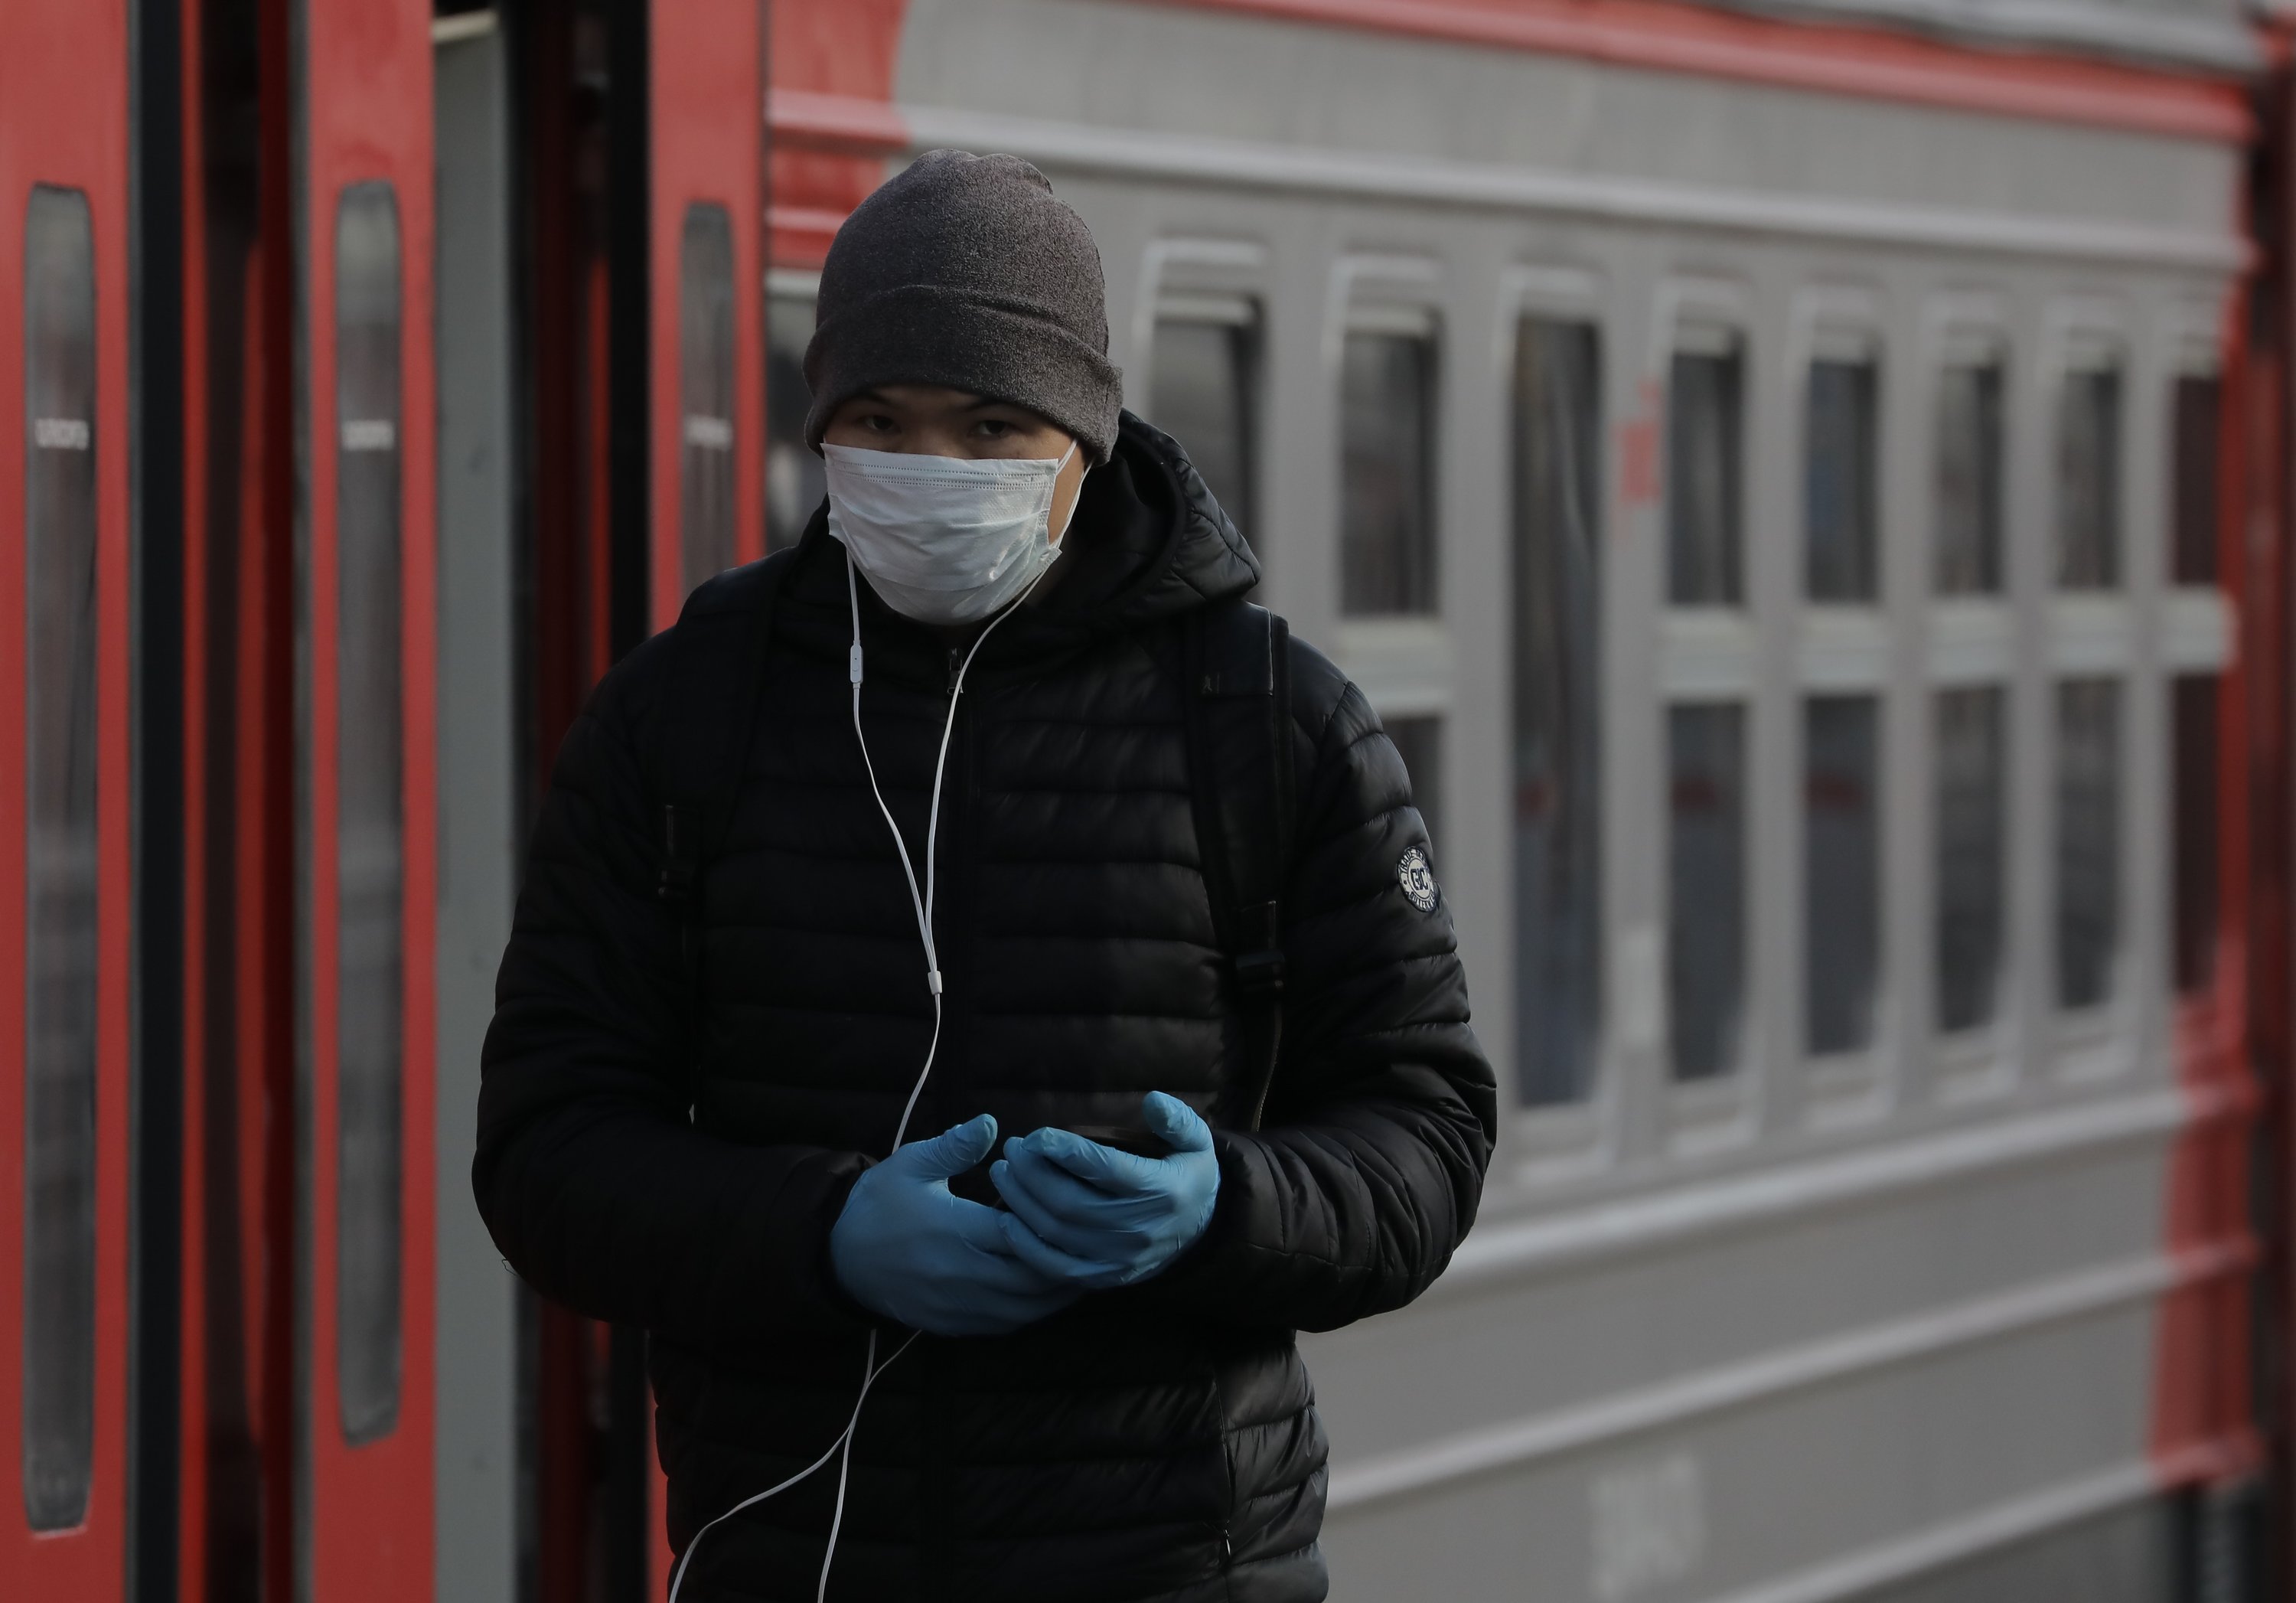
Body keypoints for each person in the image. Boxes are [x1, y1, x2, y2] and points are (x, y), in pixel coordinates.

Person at [476, 149, 1495, 1602]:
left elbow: (1429, 1134)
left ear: (1086, 432)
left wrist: (1228, 1208)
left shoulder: (1268, 724)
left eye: (991, 424)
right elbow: (546, 1152)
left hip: (1174, 1571)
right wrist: (825, 1235)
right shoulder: (681, 719)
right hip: (797, 1562)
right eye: (880, 421)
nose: (930, 471)